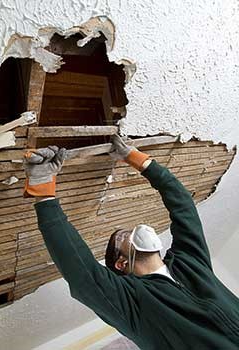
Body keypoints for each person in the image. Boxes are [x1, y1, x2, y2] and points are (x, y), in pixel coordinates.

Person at [23, 135, 239, 350]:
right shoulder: (131, 301)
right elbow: (81, 270)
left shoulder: (190, 261)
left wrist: (137, 159)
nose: (134, 231)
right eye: (124, 237)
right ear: (121, 263)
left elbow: (184, 207)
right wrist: (44, 192)